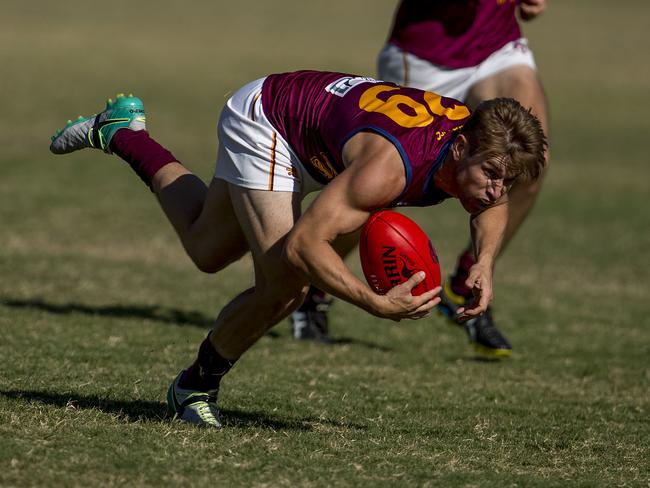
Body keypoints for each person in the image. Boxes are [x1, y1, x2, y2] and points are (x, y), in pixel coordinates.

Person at [50, 70, 546, 427]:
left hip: (319, 136)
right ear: (459, 148)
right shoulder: (389, 170)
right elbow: (305, 246)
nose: (497, 190)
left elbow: (489, 206)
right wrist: (374, 303)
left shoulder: (476, 147)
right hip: (270, 121)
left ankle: (120, 133)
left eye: (509, 180)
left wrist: (483, 262)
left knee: (207, 249)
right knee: (284, 287)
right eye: (492, 175)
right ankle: (194, 386)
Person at [292, 0, 549, 358]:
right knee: (379, 188)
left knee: (525, 162)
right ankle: (316, 288)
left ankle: (466, 280)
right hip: (427, 54)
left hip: (496, 44)